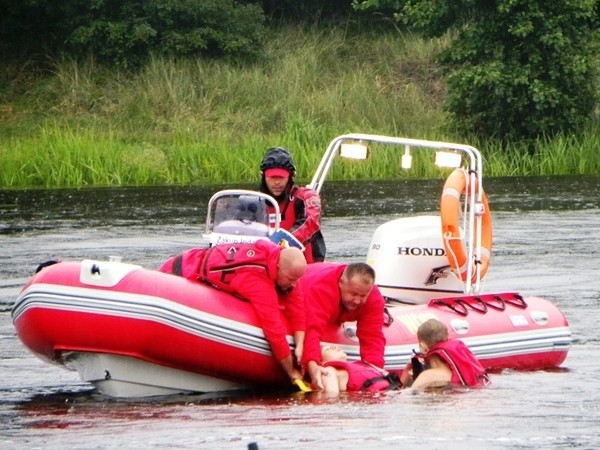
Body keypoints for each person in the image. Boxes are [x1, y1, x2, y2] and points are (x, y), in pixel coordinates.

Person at [158, 240, 307, 384]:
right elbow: (274, 331)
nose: (294, 284)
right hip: (179, 272)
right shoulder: (257, 283)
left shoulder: (274, 253)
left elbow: (297, 304)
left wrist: (300, 345)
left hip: (192, 257)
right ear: (279, 267)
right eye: (291, 279)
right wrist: (291, 371)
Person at [300, 262, 386, 390]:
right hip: (306, 287)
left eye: (363, 296)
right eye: (353, 294)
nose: (357, 300)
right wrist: (312, 366)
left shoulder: (374, 297)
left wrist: (374, 376)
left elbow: (373, 338)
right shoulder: (321, 288)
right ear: (341, 282)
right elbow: (312, 329)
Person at [259, 147, 326, 263]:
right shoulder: (254, 201)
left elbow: (310, 222)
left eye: (281, 177)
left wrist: (279, 243)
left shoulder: (307, 197)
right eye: (272, 177)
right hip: (265, 261)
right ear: (263, 176)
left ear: (290, 177)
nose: (276, 182)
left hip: (304, 266)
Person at [400, 318, 491, 390]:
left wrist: (405, 374)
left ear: (423, 346)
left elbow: (404, 396)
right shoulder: (463, 370)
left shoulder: (426, 377)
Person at [320, 344, 400, 395]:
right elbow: (331, 399)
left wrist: (407, 370)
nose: (335, 346)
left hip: (393, 393)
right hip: (385, 399)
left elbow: (396, 385)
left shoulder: (362, 365)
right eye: (327, 349)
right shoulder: (328, 371)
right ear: (321, 362)